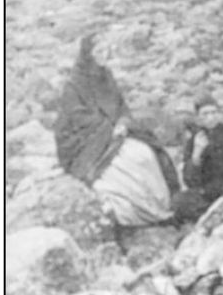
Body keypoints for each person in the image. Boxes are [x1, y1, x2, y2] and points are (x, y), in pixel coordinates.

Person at [54, 33, 180, 227]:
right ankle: (127, 213)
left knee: (144, 153)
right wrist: (109, 128)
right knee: (124, 164)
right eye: (99, 51)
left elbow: (121, 107)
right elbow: (77, 117)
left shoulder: (107, 77)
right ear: (88, 54)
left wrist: (123, 123)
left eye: (107, 50)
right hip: (86, 143)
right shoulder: (74, 85)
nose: (104, 55)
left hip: (114, 134)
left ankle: (156, 207)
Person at [178, 94, 223, 216]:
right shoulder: (195, 139)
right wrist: (197, 153)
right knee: (181, 201)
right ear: (198, 117)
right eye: (205, 114)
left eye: (214, 113)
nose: (211, 118)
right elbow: (189, 180)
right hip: (205, 191)